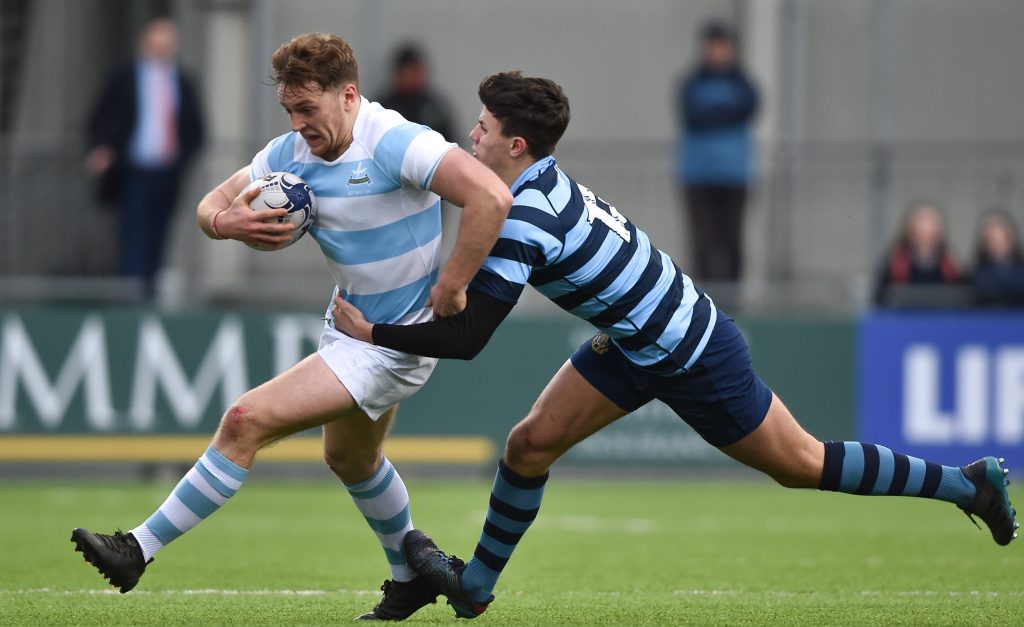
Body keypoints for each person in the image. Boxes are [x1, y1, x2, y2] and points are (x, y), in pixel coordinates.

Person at [330, 71, 1019, 619]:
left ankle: (966, 484)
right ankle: (475, 588)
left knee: (802, 463)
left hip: (693, 351)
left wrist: (374, 332)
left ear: (516, 146)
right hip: (635, 342)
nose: (470, 137)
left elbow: (469, 337)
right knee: (529, 444)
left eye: (482, 128)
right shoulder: (535, 186)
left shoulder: (526, 218)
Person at [70, 33, 512, 622]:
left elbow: (491, 196)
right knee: (351, 460)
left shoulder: (397, 141)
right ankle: (409, 577)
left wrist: (453, 285)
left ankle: (137, 549)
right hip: (348, 329)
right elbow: (209, 205)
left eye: (308, 108)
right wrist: (227, 224)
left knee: (244, 420)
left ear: (348, 96)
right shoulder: (289, 153)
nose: (298, 124)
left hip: (393, 343)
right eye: (289, 110)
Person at [85, 17, 206, 299]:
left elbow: (195, 127)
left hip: (169, 170)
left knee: (160, 232)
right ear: (146, 43)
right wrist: (101, 148)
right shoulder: (124, 77)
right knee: (134, 231)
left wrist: (182, 160)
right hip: (134, 169)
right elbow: (101, 117)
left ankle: (149, 292)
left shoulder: (183, 80)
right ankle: (132, 293)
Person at [676, 20, 759, 283]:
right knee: (703, 241)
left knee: (732, 238)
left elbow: (748, 108)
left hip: (734, 173)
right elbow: (693, 114)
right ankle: (703, 295)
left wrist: (715, 113)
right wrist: (725, 112)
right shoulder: (691, 83)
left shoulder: (743, 83)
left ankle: (733, 296)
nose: (717, 52)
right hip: (698, 174)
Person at [873, 200, 963, 306]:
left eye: (929, 225)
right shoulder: (896, 265)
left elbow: (964, 298)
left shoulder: (950, 267)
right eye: (919, 225)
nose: (924, 230)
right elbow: (881, 298)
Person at [377, 43, 455, 143]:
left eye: (418, 71)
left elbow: (451, 142)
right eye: (412, 71)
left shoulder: (435, 107)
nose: (417, 76)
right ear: (399, 73)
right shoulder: (385, 108)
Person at [972, 208, 1024, 307]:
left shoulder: (1020, 272)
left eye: (1000, 241)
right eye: (991, 241)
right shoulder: (975, 275)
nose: (996, 246)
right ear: (984, 244)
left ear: (1010, 240)